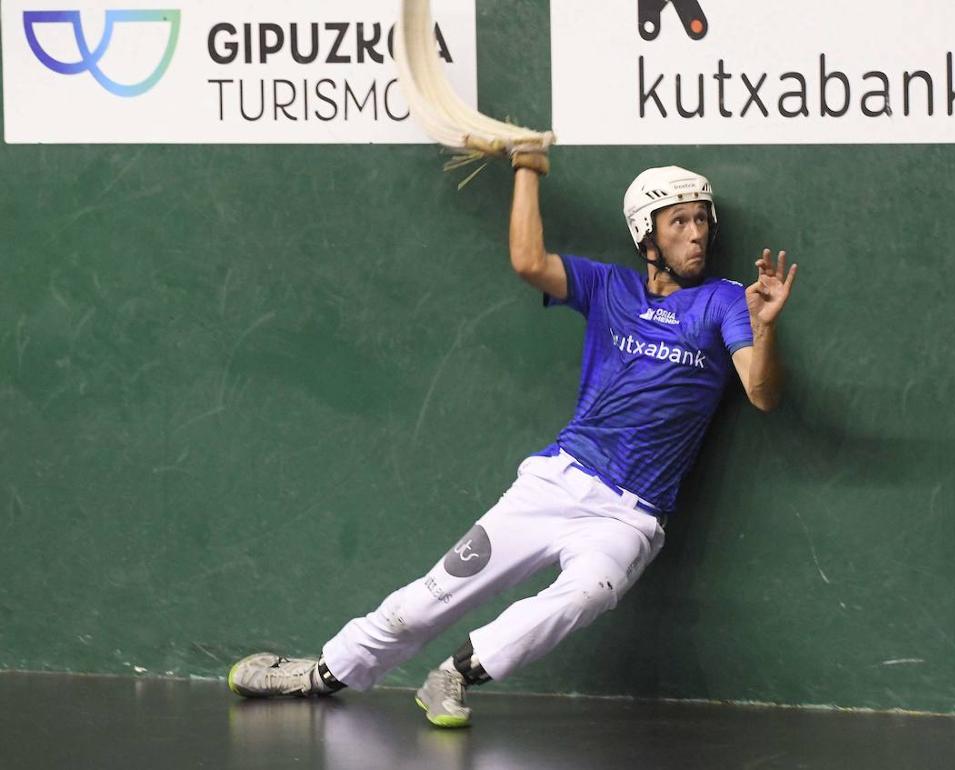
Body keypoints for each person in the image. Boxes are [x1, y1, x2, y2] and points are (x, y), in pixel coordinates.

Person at [226, 148, 798, 728]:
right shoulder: (609, 288)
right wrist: (528, 169)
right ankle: (322, 672)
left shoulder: (727, 299)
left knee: (588, 592)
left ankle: (457, 673)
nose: (696, 233)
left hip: (631, 517)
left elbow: (761, 392)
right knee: (434, 594)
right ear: (646, 235)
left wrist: (766, 328)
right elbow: (528, 261)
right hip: (557, 481)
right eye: (679, 221)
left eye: (702, 220)